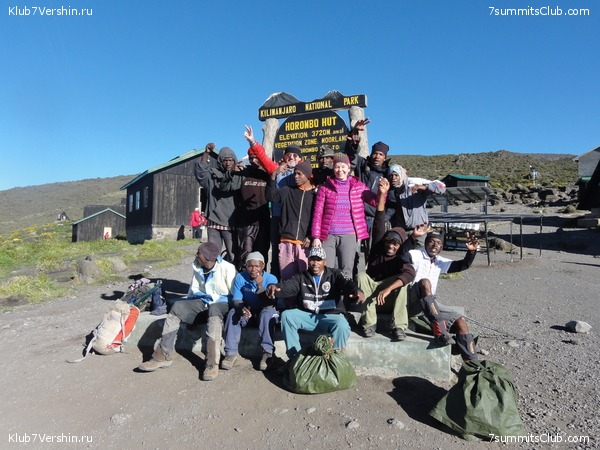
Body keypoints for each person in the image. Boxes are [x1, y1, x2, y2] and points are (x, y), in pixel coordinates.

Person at [137, 241, 237, 381]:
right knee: (177, 307)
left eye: (199, 253)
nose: (196, 255)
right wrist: (190, 315)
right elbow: (193, 292)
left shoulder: (227, 268)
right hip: (203, 302)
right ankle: (163, 355)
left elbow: (234, 295)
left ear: (208, 257)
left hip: (222, 304)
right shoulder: (197, 267)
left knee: (214, 309)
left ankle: (211, 364)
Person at [356, 177, 425, 341]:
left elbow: (410, 274)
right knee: (361, 276)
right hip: (371, 298)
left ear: (400, 246)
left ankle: (399, 327)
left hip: (389, 299)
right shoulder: (378, 248)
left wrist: (388, 289)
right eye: (389, 242)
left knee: (403, 283)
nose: (391, 246)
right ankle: (369, 324)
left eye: (395, 244)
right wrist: (382, 194)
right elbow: (379, 219)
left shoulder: (402, 257)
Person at [266, 247, 365, 360]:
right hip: (308, 317)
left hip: (330, 317)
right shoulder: (301, 277)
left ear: (325, 262)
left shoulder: (334, 274)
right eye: (312, 259)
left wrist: (356, 290)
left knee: (342, 324)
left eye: (319, 260)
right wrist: (276, 287)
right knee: (287, 316)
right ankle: (296, 360)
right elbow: (287, 287)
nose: (315, 263)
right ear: (308, 261)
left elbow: (347, 283)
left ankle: (335, 361)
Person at [408, 231, 479, 361]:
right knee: (425, 282)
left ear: (442, 247)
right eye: (432, 241)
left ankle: (471, 362)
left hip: (430, 304)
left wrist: (471, 252)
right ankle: (440, 332)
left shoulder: (440, 262)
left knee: (460, 320)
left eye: (439, 243)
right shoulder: (415, 255)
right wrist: (412, 238)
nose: (435, 245)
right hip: (411, 301)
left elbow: (462, 265)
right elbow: (402, 256)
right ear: (426, 243)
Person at [311, 153, 378, 280]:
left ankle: (345, 299)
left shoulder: (358, 187)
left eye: (343, 167)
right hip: (328, 235)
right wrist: (316, 237)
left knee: (346, 270)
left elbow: (375, 201)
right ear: (333, 168)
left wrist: (382, 191)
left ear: (348, 168)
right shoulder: (325, 188)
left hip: (349, 234)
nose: (339, 170)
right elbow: (317, 213)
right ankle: (329, 298)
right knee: (326, 269)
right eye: (337, 167)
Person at [220, 132, 271, 271]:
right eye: (251, 157)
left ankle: (260, 287)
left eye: (256, 157)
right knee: (245, 255)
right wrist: (231, 172)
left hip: (263, 222)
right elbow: (225, 187)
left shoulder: (267, 174)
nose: (254, 160)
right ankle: (244, 285)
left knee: (261, 255)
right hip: (245, 222)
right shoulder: (243, 173)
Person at [221, 252, 279, 372]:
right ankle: (230, 353)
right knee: (233, 313)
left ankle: (267, 354)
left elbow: (269, 302)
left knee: (267, 314)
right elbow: (236, 299)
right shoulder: (240, 277)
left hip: (265, 310)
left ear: (263, 266)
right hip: (249, 311)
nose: (253, 269)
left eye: (257, 266)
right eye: (250, 266)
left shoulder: (271, 279)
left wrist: (260, 285)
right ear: (246, 266)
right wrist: (241, 308)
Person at [265, 160, 316, 283]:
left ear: (308, 175)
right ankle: (289, 302)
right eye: (295, 173)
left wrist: (311, 236)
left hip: (304, 245)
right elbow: (270, 196)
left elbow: (317, 218)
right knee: (288, 280)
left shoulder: (315, 195)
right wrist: (273, 176)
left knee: (305, 281)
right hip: (286, 242)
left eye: (299, 174)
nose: (295, 176)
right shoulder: (287, 190)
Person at [194, 143, 237, 262]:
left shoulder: (237, 176)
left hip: (231, 222)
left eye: (231, 160)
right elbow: (201, 172)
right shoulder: (212, 176)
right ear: (220, 162)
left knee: (233, 254)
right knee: (212, 255)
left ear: (235, 161)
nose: (228, 163)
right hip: (213, 222)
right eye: (225, 160)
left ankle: (233, 279)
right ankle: (214, 279)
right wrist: (206, 153)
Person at [387, 164, 446, 240]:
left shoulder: (414, 183)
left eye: (396, 175)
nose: (393, 178)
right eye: (391, 176)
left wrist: (424, 187)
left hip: (419, 230)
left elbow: (442, 187)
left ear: (401, 175)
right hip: (401, 231)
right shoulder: (391, 190)